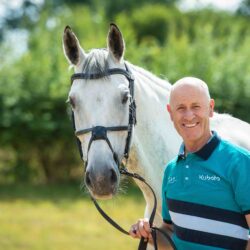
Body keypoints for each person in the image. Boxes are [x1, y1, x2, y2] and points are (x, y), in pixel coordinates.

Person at [129, 77, 250, 250]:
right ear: (170, 113)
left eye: (196, 106)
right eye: (180, 108)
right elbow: (171, 232)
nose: (188, 115)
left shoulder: (240, 162)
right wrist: (149, 234)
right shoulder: (171, 171)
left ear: (210, 108)